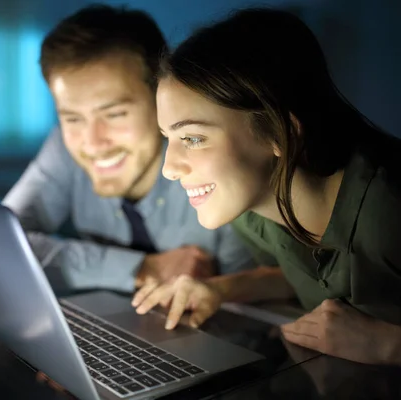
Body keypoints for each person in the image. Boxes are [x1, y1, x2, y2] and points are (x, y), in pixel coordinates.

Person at [132, 8, 401, 365]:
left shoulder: (388, 209)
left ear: (280, 133)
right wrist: (218, 289)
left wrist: (388, 344)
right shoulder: (252, 214)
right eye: (168, 138)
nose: (168, 169)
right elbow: (304, 276)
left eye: (193, 138)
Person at [2, 4, 256, 293]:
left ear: (161, 97)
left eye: (115, 114)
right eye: (72, 118)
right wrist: (143, 269)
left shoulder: (216, 165)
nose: (92, 143)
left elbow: (265, 314)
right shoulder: (64, 146)